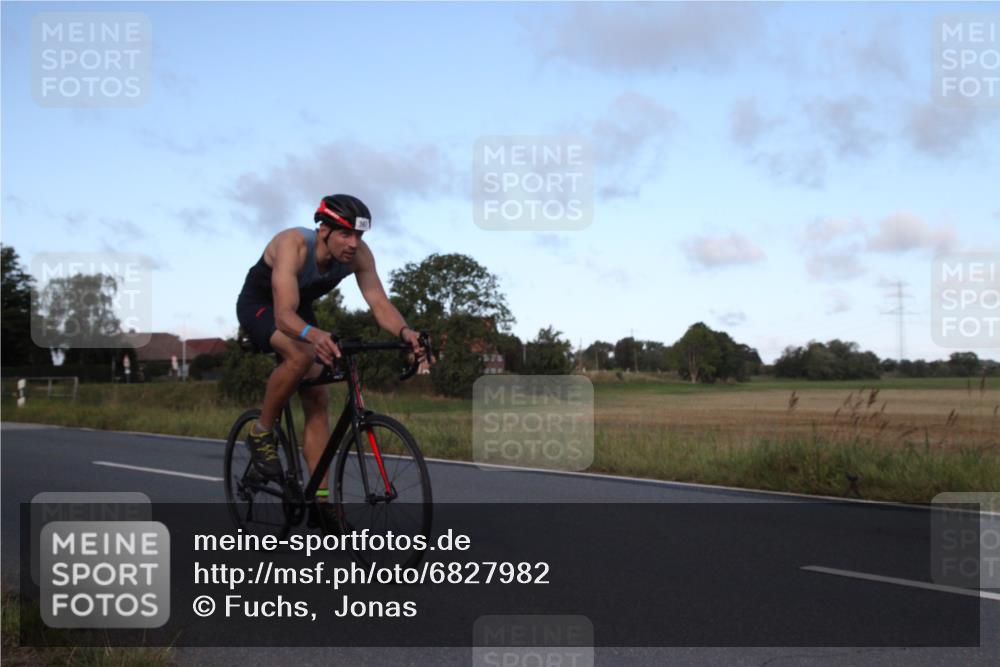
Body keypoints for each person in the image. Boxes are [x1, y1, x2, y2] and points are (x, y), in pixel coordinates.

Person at [235, 194, 426, 513]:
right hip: (262, 306)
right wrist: (313, 334)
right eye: (346, 234)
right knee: (300, 356)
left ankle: (322, 501)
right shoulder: (292, 244)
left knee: (318, 398)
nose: (354, 243)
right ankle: (262, 433)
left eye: (359, 235)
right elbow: (283, 316)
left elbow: (379, 304)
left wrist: (406, 332)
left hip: (299, 308)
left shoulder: (359, 255)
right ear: (323, 230)